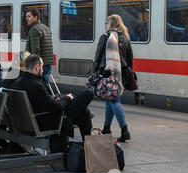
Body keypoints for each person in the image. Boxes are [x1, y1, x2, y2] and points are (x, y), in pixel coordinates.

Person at [7, 55, 93, 153]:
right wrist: (67, 98)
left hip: (37, 118)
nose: (43, 70)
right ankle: (90, 149)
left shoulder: (19, 81)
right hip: (50, 120)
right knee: (88, 94)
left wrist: (58, 99)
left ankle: (89, 149)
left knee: (84, 113)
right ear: (37, 67)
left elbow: (45, 102)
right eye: (42, 67)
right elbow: (56, 108)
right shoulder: (36, 85)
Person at [94, 14, 133, 142]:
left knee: (114, 101)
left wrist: (94, 72)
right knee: (109, 99)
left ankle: (125, 130)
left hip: (108, 72)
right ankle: (106, 128)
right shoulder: (125, 39)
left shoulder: (105, 37)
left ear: (109, 24)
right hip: (121, 73)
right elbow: (130, 58)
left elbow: (98, 56)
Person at [25, 8, 54, 83]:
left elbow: (36, 49)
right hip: (46, 63)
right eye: (26, 16)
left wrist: (34, 65)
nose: (27, 19)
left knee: (37, 86)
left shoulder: (34, 29)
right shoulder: (45, 28)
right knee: (44, 85)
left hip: (38, 65)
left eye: (29, 16)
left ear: (35, 17)